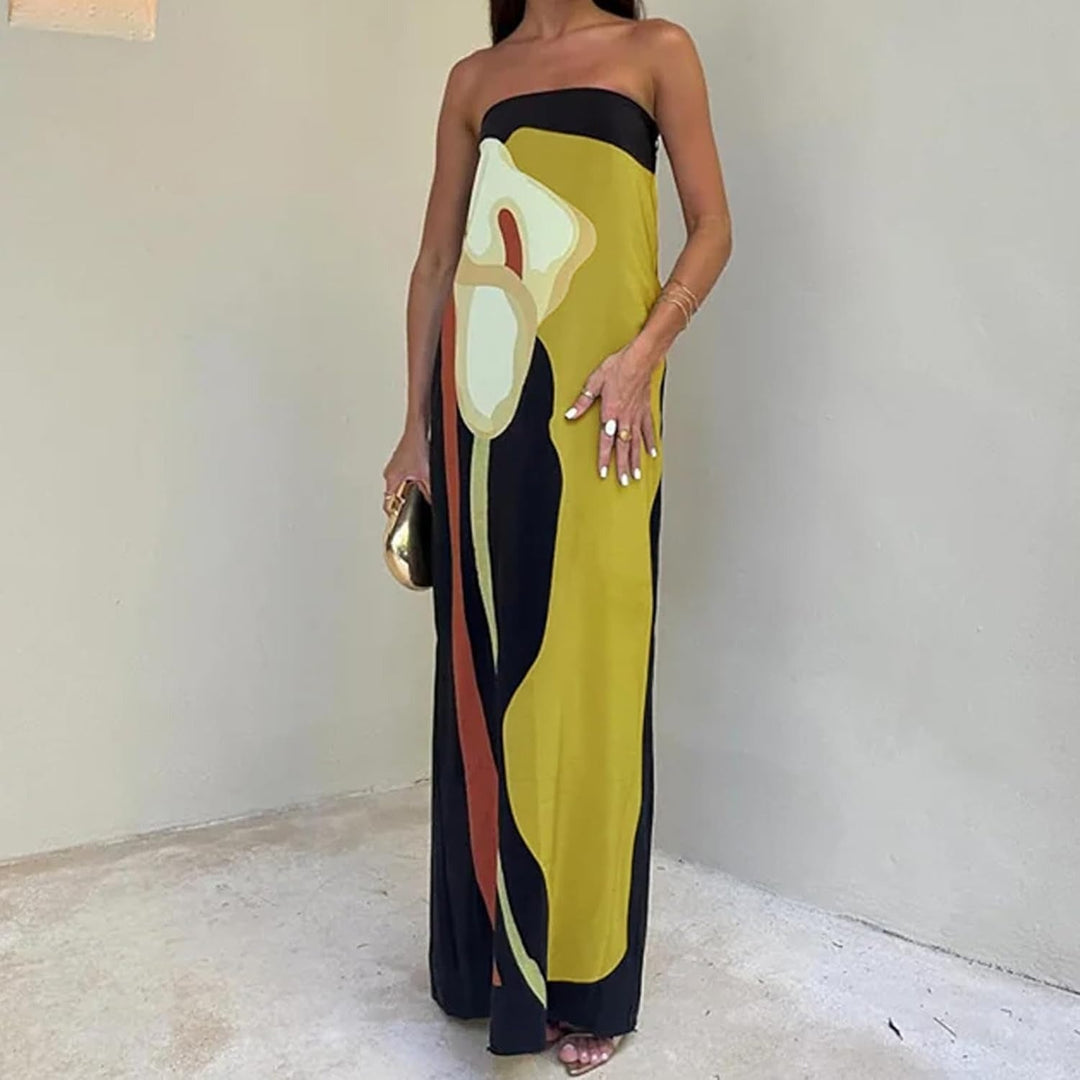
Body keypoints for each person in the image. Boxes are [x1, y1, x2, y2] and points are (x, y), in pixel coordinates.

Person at [382, 0, 732, 1073]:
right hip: (484, 415)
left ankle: (586, 978)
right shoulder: (475, 78)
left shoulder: (656, 50)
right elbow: (436, 262)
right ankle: (493, 967)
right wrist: (414, 431)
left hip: (608, 413)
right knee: (492, 675)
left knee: (595, 678)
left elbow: (713, 228)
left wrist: (642, 359)